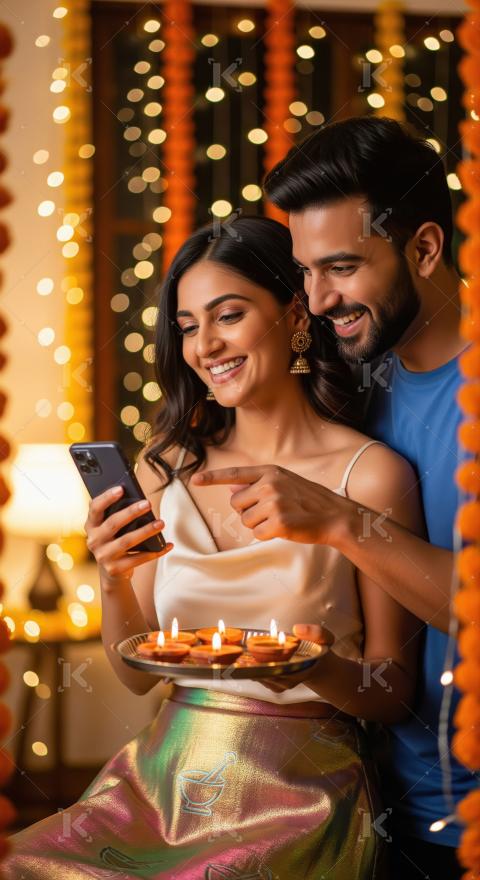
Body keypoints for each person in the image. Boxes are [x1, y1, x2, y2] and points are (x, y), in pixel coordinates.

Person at [5, 216, 423, 880]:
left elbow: (393, 690)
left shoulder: (369, 475)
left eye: (228, 315)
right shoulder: (163, 466)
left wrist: (312, 668)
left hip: (297, 792)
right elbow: (138, 674)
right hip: (159, 777)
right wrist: (114, 576)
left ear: (294, 314)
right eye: (189, 325)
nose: (206, 344)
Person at [191, 118, 473, 879]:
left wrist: (344, 522)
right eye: (304, 271)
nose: (316, 300)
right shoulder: (359, 381)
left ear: (423, 248)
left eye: (341, 268)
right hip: (378, 809)